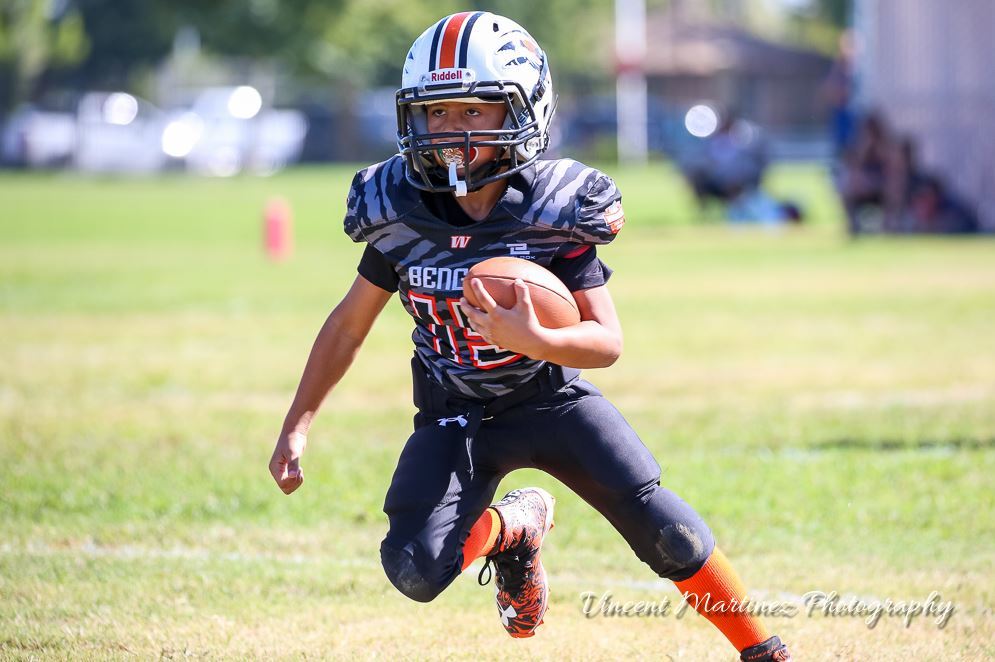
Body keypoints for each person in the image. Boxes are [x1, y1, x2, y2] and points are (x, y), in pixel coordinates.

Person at [268, 12, 792, 661]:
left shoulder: (555, 208)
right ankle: (512, 529)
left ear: (523, 107)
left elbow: (605, 341)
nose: (451, 131)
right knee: (413, 568)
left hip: (548, 399)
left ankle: (763, 650)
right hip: (450, 410)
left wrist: (536, 337)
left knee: (667, 532)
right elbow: (349, 323)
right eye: (436, 114)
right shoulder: (397, 210)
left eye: (472, 112)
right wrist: (298, 422)